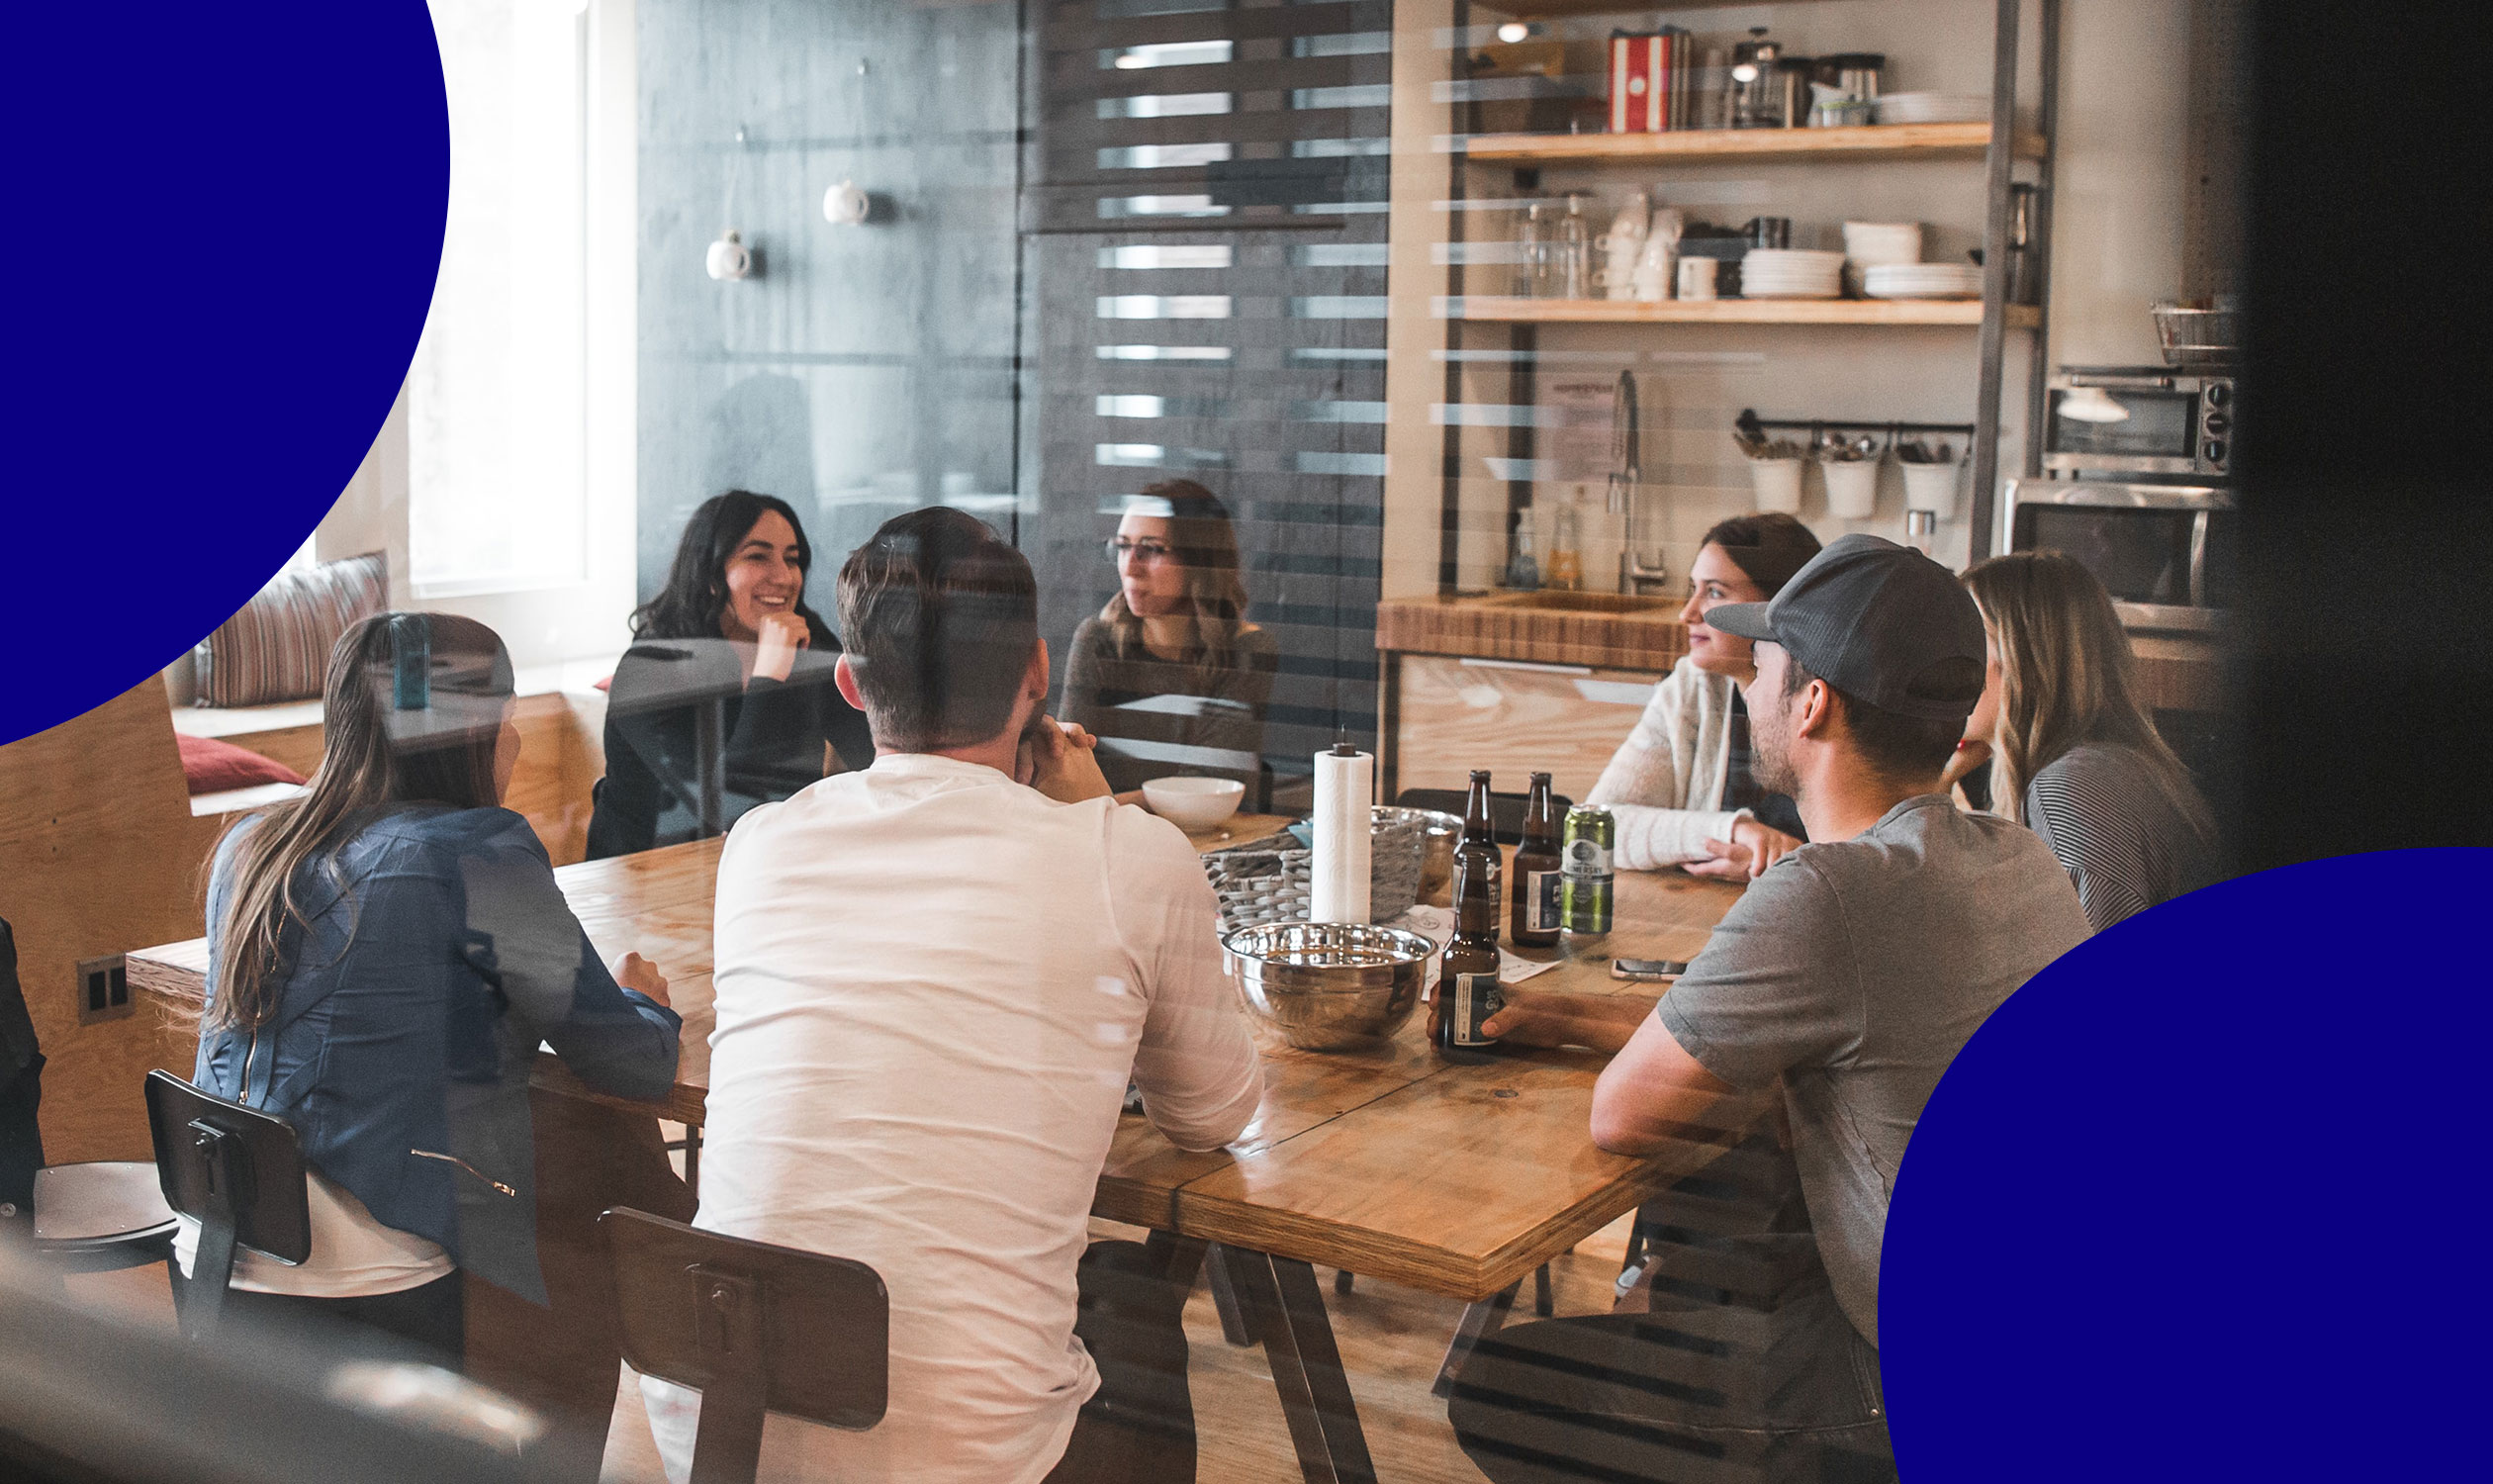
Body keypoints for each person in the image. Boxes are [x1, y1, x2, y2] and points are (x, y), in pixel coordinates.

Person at [1444, 535, 2092, 1484]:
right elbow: (1820, 1036)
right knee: (1716, 1246)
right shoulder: (2011, 855)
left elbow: (1624, 1116)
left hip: (1906, 1386)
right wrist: (1566, 1021)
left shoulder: (1830, 891)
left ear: (1814, 701)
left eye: (1764, 666)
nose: (1748, 687)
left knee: (1504, 1390)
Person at [641, 507, 1263, 1484]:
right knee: (1136, 1322)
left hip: (716, 1431)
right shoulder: (1130, 858)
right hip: (970, 1459)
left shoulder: (762, 846)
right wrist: (1093, 810)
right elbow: (1212, 1113)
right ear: (1037, 674)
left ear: (847, 684)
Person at [181, 613, 684, 1370]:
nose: (512, 743)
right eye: (508, 722)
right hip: (364, 1283)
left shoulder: (249, 848)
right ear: (477, 732)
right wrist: (648, 1000)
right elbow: (630, 1063)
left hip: (212, 1257)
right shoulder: (477, 854)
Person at [585, 490, 875, 859]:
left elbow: (875, 751)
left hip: (769, 862)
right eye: (757, 557)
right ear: (709, 573)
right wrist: (770, 675)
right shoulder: (650, 667)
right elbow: (730, 808)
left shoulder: (807, 639)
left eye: (793, 559)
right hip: (647, 875)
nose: (785, 577)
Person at [1952, 552, 2220, 931]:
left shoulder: (2073, 789)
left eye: (1968, 636)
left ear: (2023, 657)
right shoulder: (2105, 768)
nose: (1947, 658)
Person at [1585, 513, 1823, 881]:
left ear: (1779, 607)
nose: (1687, 613)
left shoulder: (1834, 702)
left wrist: (1776, 865)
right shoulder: (1691, 688)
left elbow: (1870, 856)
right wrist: (1735, 831)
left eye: (1714, 592)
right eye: (1693, 589)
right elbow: (1597, 825)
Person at [1062, 481, 1278, 796]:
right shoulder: (1098, 639)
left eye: (1151, 549)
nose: (1130, 567)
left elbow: (1209, 784)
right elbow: (1068, 765)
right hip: (1108, 834)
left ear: (1199, 561)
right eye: (1122, 546)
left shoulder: (1247, 651)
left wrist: (1099, 808)